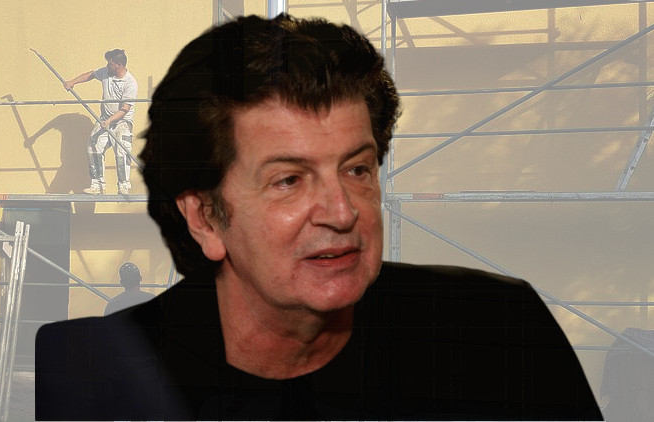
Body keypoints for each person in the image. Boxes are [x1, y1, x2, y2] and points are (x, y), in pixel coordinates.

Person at [36, 15, 603, 421]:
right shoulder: (95, 374)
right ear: (206, 218)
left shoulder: (500, 335)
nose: (342, 211)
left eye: (357, 170)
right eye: (289, 180)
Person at [63, 48, 139, 195]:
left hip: (122, 122)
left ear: (118, 65)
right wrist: (72, 82)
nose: (107, 66)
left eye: (110, 64)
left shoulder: (130, 83)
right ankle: (97, 185)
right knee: (93, 145)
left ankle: (123, 186)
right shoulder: (106, 72)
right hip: (104, 119)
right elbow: (91, 75)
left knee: (122, 151)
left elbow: (124, 109)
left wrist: (109, 121)